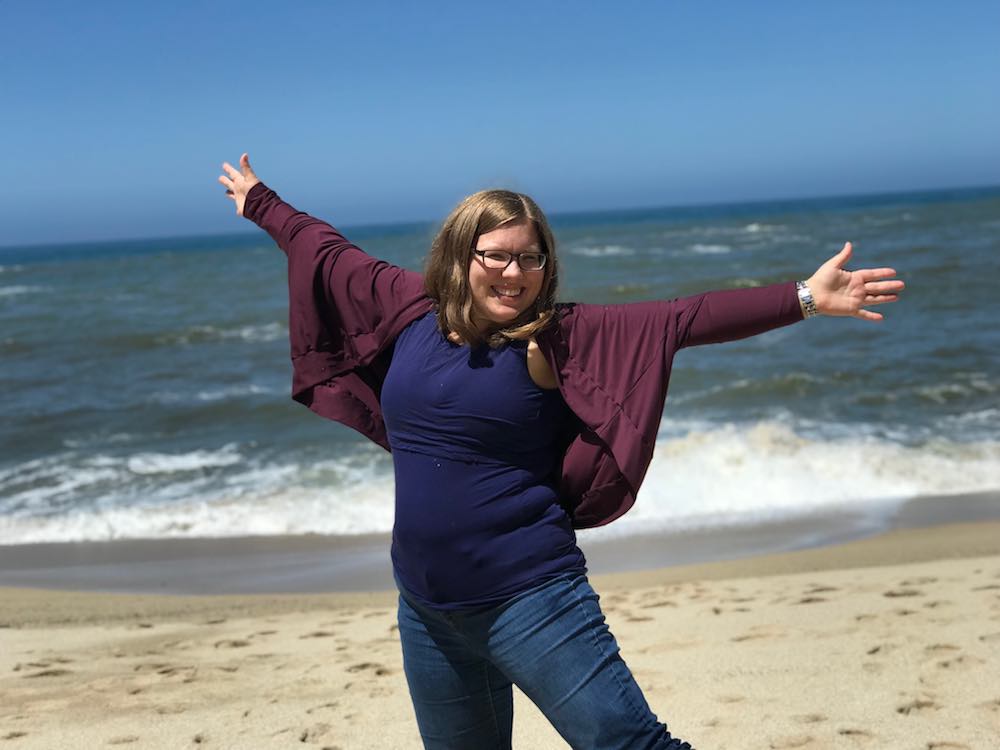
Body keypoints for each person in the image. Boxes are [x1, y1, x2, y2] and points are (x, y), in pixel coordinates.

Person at [218, 154, 903, 750]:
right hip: (427, 609)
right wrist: (262, 204)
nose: (513, 273)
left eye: (530, 257)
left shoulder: (560, 336)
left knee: (632, 744)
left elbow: (686, 318)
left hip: (531, 600)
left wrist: (808, 297)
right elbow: (327, 252)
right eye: (497, 254)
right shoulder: (411, 308)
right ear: (463, 256)